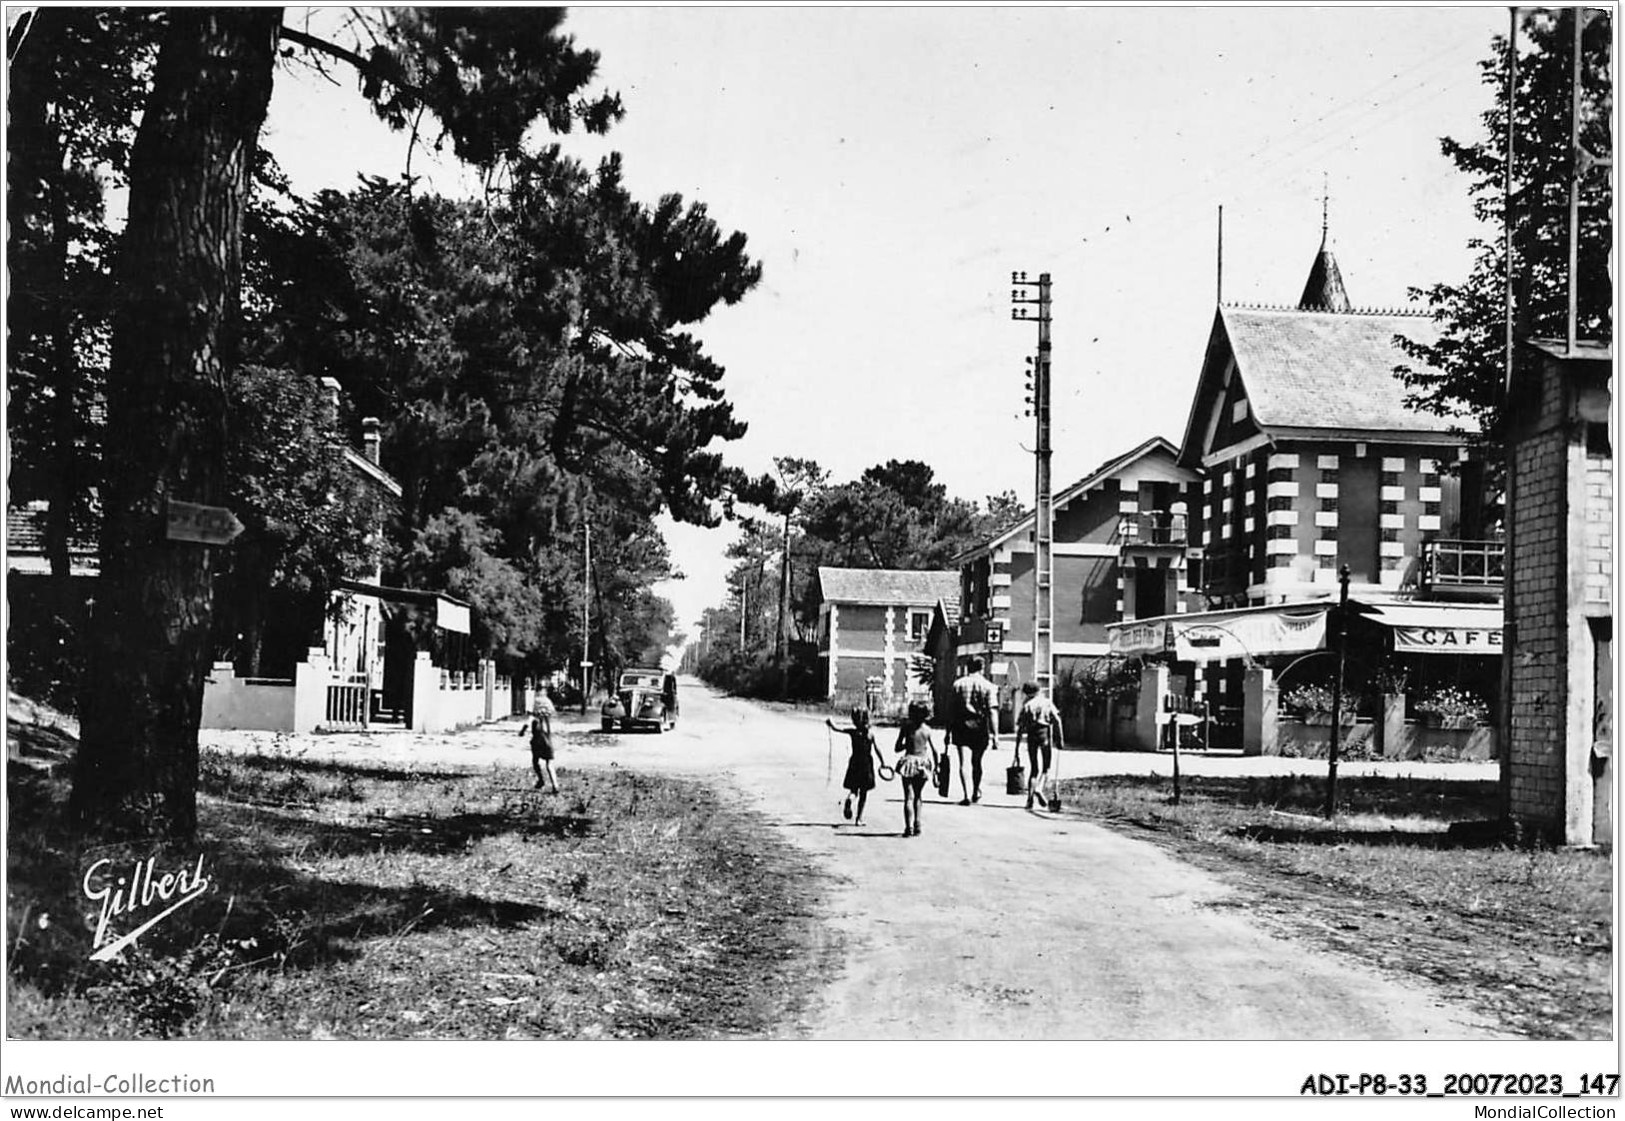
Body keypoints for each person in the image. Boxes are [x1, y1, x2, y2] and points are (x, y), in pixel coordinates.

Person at [948, 656, 998, 805]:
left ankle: (965, 795)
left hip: (961, 725)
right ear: (982, 668)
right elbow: (992, 711)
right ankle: (976, 790)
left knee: (963, 762)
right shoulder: (989, 686)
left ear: (968, 667)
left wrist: (947, 731)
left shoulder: (958, 684)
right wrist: (995, 734)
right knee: (977, 762)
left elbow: (951, 710)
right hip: (980, 725)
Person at [1012, 681, 1064, 810]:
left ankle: (1029, 799)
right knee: (1046, 767)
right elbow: (1057, 720)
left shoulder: (1026, 705)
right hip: (1044, 733)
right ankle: (1039, 788)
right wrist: (1060, 739)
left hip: (1031, 736)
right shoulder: (1046, 702)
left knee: (1034, 768)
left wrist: (1017, 748)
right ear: (1038, 690)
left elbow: (1020, 728)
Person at [892, 700, 940, 837]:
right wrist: (936, 768)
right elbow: (935, 751)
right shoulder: (927, 731)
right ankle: (917, 824)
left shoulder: (906, 728)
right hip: (922, 764)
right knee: (918, 796)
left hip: (908, 762)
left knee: (908, 797)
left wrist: (907, 745)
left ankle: (908, 827)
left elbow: (897, 748)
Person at [826, 708, 881, 827]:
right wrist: (883, 763)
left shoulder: (853, 732)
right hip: (866, 764)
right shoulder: (870, 734)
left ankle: (850, 799)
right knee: (864, 793)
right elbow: (877, 750)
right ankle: (859, 819)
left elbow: (837, 729)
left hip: (855, 763)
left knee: (854, 790)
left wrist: (831, 723)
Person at [520, 691, 560, 793]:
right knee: (549, 764)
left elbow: (527, 724)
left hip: (537, 742)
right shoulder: (549, 718)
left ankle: (541, 780)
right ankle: (555, 785)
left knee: (535, 761)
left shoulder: (534, 717)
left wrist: (522, 732)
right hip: (548, 741)